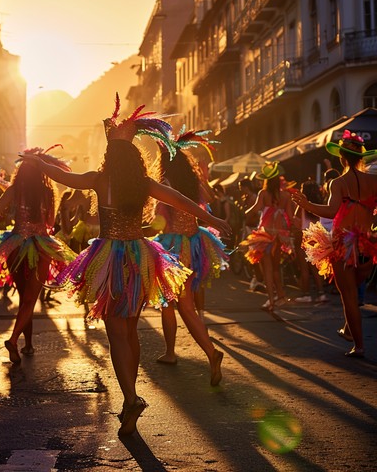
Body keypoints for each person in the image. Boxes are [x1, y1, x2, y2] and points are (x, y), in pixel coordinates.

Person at [29, 94, 232, 437]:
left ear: (110, 155)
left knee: (115, 332)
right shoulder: (144, 184)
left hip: (109, 257)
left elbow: (66, 178)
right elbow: (182, 200)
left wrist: (35, 163)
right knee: (131, 331)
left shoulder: (98, 179)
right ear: (135, 158)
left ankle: (130, 398)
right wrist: (211, 216)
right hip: (139, 258)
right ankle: (131, 395)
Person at [0, 148, 76, 363]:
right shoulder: (47, 192)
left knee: (25, 296)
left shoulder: (15, 190)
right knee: (29, 300)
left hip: (15, 245)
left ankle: (28, 344)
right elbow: (51, 223)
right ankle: (15, 340)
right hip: (41, 246)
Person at [150, 128, 229, 374]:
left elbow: (159, 220)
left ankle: (186, 352)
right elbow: (208, 199)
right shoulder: (193, 182)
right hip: (195, 245)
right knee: (185, 305)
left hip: (173, 248)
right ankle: (193, 351)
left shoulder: (165, 184)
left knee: (172, 305)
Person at [292, 130, 377, 357]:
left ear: (341, 158)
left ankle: (358, 345)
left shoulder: (338, 183)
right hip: (368, 245)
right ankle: (350, 329)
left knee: (348, 295)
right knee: (354, 290)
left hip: (342, 245)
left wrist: (307, 204)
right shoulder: (374, 181)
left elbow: (330, 210)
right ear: (362, 157)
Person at [240, 161, 295, 311]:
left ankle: (271, 300)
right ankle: (281, 296)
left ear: (266, 180)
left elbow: (255, 209)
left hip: (264, 236)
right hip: (279, 236)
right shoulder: (285, 196)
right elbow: (290, 217)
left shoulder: (263, 194)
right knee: (276, 268)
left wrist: (246, 212)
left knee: (267, 270)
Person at [293, 179, 328, 303]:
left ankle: (306, 294)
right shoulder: (320, 204)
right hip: (317, 236)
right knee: (315, 267)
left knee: (304, 267)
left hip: (304, 235)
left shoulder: (302, 204)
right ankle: (321, 293)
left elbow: (296, 222)